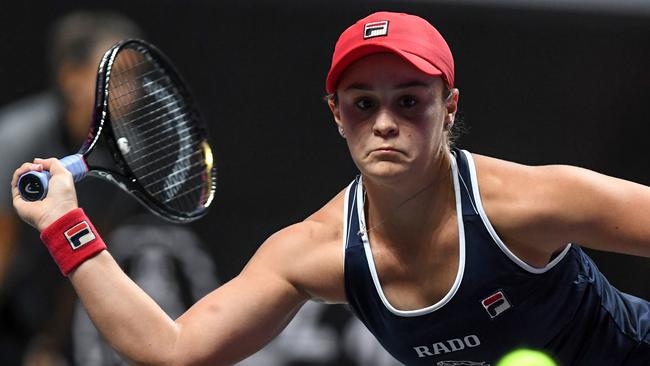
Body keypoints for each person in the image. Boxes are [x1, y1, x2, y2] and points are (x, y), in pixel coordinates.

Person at [11, 10, 650, 365]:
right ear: (336, 114)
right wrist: (64, 225)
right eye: (363, 103)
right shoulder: (315, 253)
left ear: (449, 108)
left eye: (410, 101)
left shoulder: (530, 203)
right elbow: (172, 352)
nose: (386, 123)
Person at [0, 10, 145, 365]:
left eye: (135, 77)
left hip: (34, 307)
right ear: (71, 77)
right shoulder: (16, 139)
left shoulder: (130, 154)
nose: (132, 91)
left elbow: (87, 254)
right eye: (117, 76)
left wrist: (48, 342)